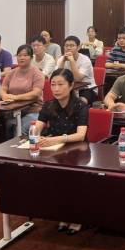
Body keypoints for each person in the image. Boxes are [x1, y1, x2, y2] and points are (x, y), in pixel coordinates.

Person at [33, 68, 90, 235]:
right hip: (56, 150)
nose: (56, 89)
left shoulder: (81, 106)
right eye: (53, 84)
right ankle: (64, 215)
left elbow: (80, 135)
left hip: (78, 151)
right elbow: (37, 127)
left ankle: (77, 218)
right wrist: (35, 135)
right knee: (55, 181)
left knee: (72, 182)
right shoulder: (49, 104)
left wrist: (55, 139)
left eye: (61, 84)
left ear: (71, 86)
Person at [0, 44, 45, 140]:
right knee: (1, 126)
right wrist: (4, 96)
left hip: (34, 111)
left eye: (25, 55)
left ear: (31, 58)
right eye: (19, 55)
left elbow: (36, 93)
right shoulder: (11, 73)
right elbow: (2, 89)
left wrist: (16, 97)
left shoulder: (37, 73)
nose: (22, 58)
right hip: (13, 110)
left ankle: (20, 149)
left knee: (20, 128)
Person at [56, 36, 97, 104]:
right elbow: (57, 77)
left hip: (87, 88)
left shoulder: (85, 60)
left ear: (78, 47)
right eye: (66, 46)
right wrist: (63, 61)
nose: (68, 48)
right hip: (68, 88)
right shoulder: (61, 59)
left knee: (81, 102)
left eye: (72, 46)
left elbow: (78, 79)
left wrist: (72, 61)